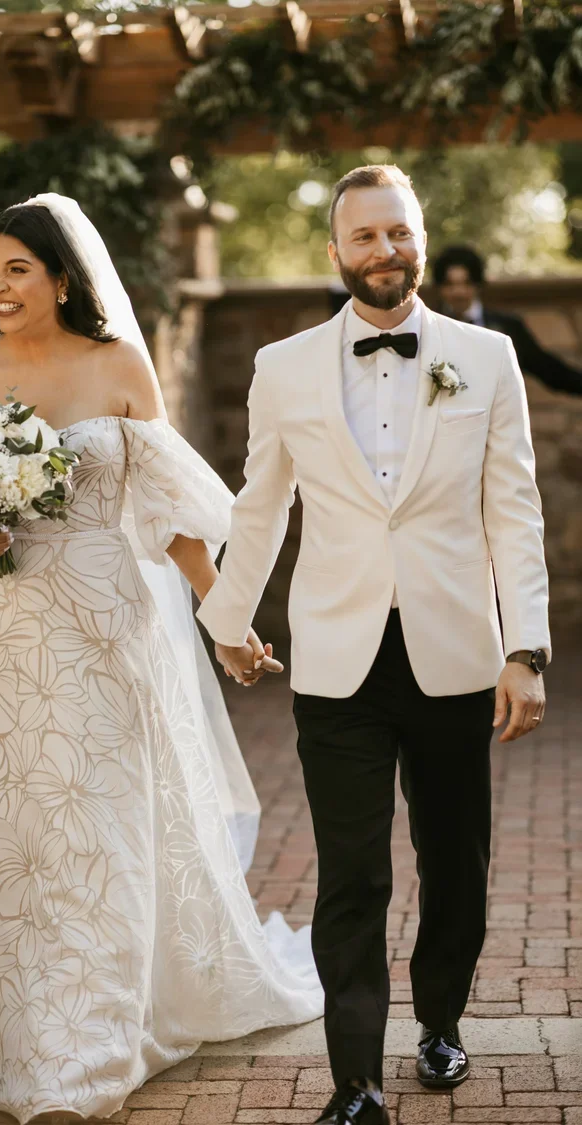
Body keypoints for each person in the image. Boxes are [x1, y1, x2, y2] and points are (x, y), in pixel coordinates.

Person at [0, 194, 324, 1124]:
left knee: (99, 823)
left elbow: (171, 519)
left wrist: (224, 620)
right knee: (11, 832)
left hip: (105, 619)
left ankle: (92, 1039)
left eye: (16, 270)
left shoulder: (118, 367)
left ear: (63, 278)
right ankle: (17, 1029)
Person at [197, 165, 550, 1125]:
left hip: (455, 652)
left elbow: (513, 511)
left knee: (456, 863)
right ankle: (354, 1081)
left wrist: (528, 649)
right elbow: (260, 507)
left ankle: (441, 1020)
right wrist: (228, 622)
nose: (385, 251)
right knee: (351, 873)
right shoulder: (285, 366)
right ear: (336, 252)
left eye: (399, 232)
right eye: (365, 237)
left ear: (421, 237)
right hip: (337, 659)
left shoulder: (486, 356)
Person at [432, 244, 582, 395]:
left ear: (478, 285)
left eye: (467, 283)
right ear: (439, 287)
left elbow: (548, 369)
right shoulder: (431, 327)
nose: (459, 292)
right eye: (449, 285)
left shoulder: (508, 327)